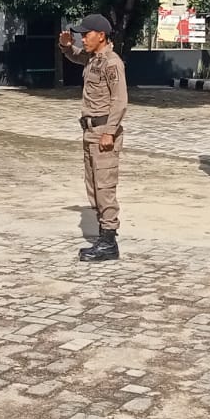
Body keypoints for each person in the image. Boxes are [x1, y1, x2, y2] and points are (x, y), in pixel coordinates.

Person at [58, 14, 128, 262]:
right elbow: (75, 56)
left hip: (103, 132)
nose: (82, 38)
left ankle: (109, 241)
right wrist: (66, 45)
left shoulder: (111, 62)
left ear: (101, 35)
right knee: (93, 186)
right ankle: (103, 236)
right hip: (89, 131)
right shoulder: (93, 58)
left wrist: (109, 131)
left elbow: (120, 101)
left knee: (104, 186)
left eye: (86, 34)